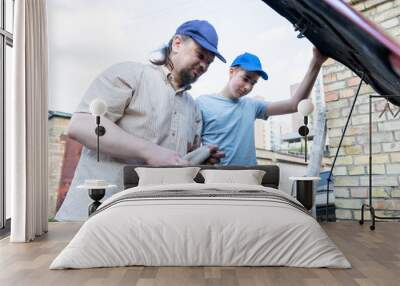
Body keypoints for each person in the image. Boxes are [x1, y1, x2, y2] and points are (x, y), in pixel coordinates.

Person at [55, 20, 225, 221]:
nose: (204, 65)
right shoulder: (131, 74)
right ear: (177, 44)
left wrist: (199, 158)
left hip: (149, 224)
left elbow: (176, 163)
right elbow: (82, 125)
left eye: (209, 62)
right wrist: (149, 151)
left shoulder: (194, 109)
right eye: (200, 55)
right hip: (93, 216)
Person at [196, 49, 328, 166]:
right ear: (232, 71)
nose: (248, 87)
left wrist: (316, 63)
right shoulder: (203, 103)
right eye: (245, 79)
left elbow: (294, 105)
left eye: (253, 83)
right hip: (215, 181)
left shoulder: (252, 105)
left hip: (250, 180)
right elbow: (191, 149)